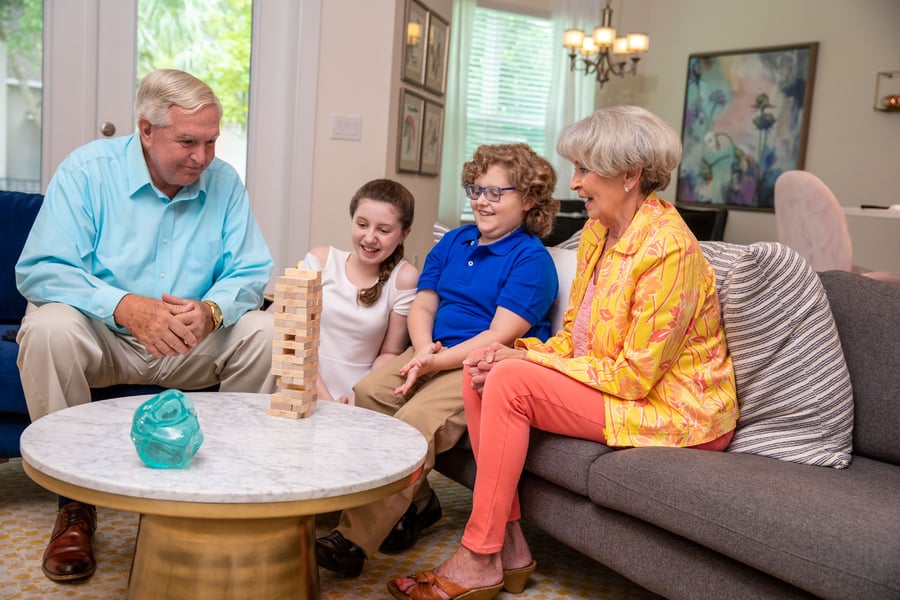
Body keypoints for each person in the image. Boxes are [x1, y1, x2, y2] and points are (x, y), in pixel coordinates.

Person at [387, 106, 739, 600]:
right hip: (618, 388)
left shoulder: (668, 250)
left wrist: (525, 359)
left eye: (584, 170)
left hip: (677, 410)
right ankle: (508, 547)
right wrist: (517, 353)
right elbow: (575, 338)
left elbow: (635, 378)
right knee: (481, 366)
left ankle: (478, 554)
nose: (573, 183)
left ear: (630, 175)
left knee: (508, 376)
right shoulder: (599, 232)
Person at [15, 69, 274, 583]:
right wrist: (124, 306)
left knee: (267, 333)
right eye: (187, 142)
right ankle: (75, 506)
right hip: (104, 337)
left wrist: (213, 312)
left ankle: (225, 491)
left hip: (189, 341)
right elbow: (40, 268)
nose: (202, 157)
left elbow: (249, 270)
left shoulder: (223, 181)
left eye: (211, 142)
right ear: (146, 130)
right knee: (48, 329)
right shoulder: (87, 171)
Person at [316, 143, 560, 578]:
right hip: (433, 349)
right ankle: (421, 501)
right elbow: (423, 303)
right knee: (370, 392)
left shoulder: (532, 260)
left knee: (414, 422)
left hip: (482, 365)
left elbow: (498, 336)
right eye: (475, 189)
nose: (481, 201)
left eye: (495, 192)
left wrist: (435, 364)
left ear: (528, 199)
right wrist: (424, 348)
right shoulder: (455, 240)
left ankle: (353, 539)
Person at [299, 179, 419, 403]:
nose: (370, 238)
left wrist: (358, 397)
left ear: (404, 233)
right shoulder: (321, 261)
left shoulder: (404, 278)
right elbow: (296, 339)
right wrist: (325, 398)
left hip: (359, 396)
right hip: (305, 384)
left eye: (383, 230)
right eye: (362, 225)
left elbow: (389, 354)